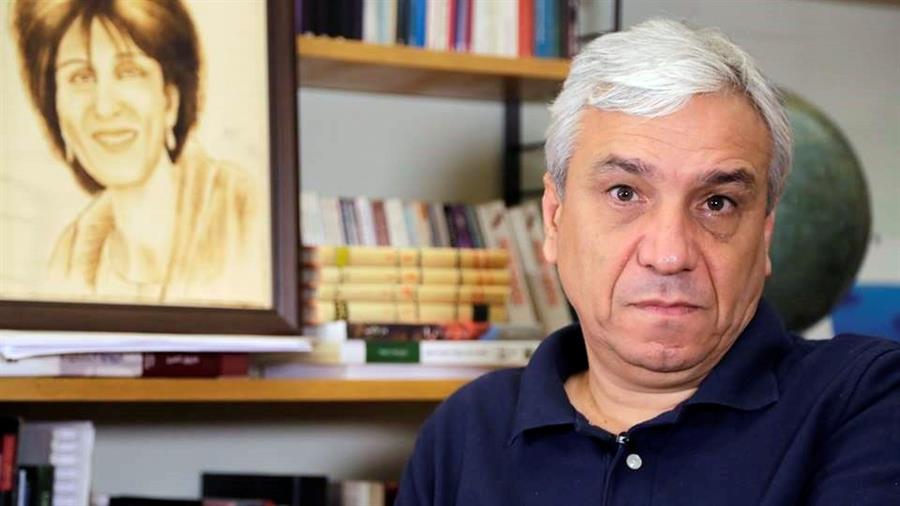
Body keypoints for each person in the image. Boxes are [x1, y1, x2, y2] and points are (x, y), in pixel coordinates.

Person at [395, 19, 900, 506]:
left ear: (764, 233)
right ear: (554, 218)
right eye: (624, 193)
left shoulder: (865, 400)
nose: (669, 255)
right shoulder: (466, 431)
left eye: (717, 202)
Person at [11, 0, 267, 307]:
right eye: (81, 77)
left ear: (170, 99)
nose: (105, 107)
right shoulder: (68, 262)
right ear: (55, 108)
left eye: (129, 72)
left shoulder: (245, 214)